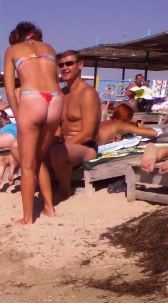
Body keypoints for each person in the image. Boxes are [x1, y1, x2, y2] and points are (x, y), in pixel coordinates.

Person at [4, 22, 63, 224]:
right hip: (55, 99)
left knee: (27, 165)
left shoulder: (12, 50)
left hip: (32, 98)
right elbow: (55, 78)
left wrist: (17, 114)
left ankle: (28, 217)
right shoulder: (49, 49)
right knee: (38, 159)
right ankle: (49, 208)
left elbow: (9, 90)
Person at [49, 49, 101, 201]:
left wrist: (56, 149)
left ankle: (65, 190)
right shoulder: (61, 94)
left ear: (80, 65)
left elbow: (88, 134)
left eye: (69, 63)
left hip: (86, 148)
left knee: (57, 152)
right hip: (64, 147)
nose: (64, 68)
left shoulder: (87, 93)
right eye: (61, 65)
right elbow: (57, 128)